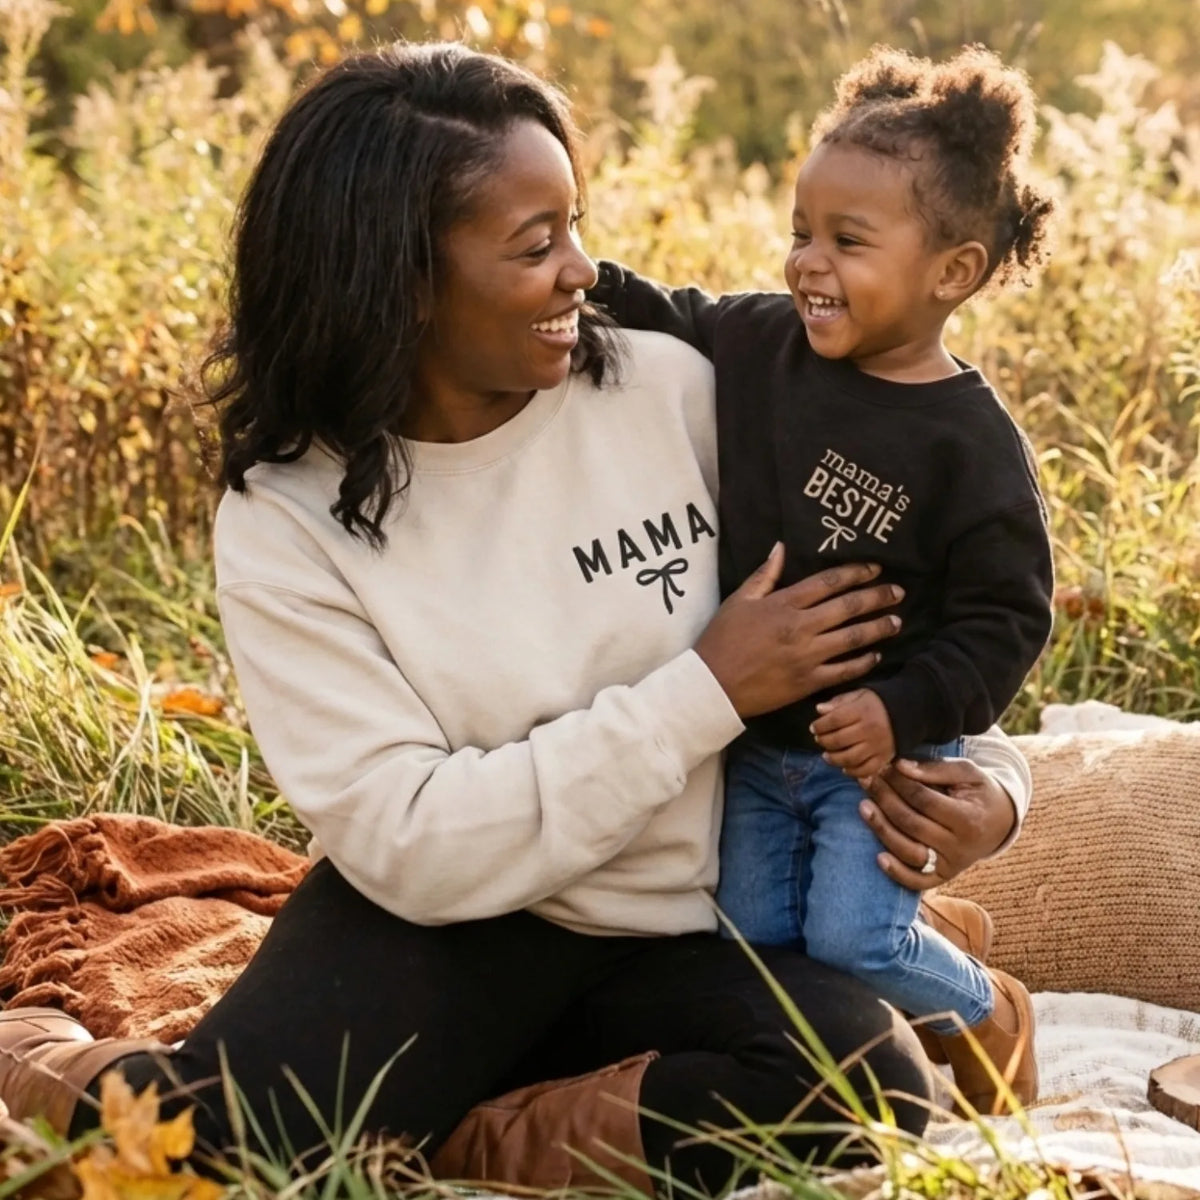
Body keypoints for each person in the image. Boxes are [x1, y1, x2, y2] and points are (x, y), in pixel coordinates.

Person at [0, 43, 1035, 1194]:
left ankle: (462, 1132)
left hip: (691, 924)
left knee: (863, 1086)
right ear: (396, 277)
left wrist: (992, 787)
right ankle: (46, 1065)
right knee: (208, 1162)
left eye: (576, 227)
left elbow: (909, 600)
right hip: (457, 918)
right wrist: (708, 689)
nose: (585, 272)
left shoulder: (672, 388)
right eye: (535, 247)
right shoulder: (286, 515)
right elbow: (411, 839)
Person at [589, 45, 1054, 1114]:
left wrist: (901, 711)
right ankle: (878, 1037)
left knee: (852, 934)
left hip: (874, 759)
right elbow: (676, 312)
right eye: (802, 230)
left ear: (952, 272)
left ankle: (984, 1008)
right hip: (754, 741)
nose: (808, 262)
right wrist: (582, 276)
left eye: (848, 242)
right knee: (754, 946)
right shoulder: (763, 342)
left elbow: (1004, 619)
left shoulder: (968, 443)